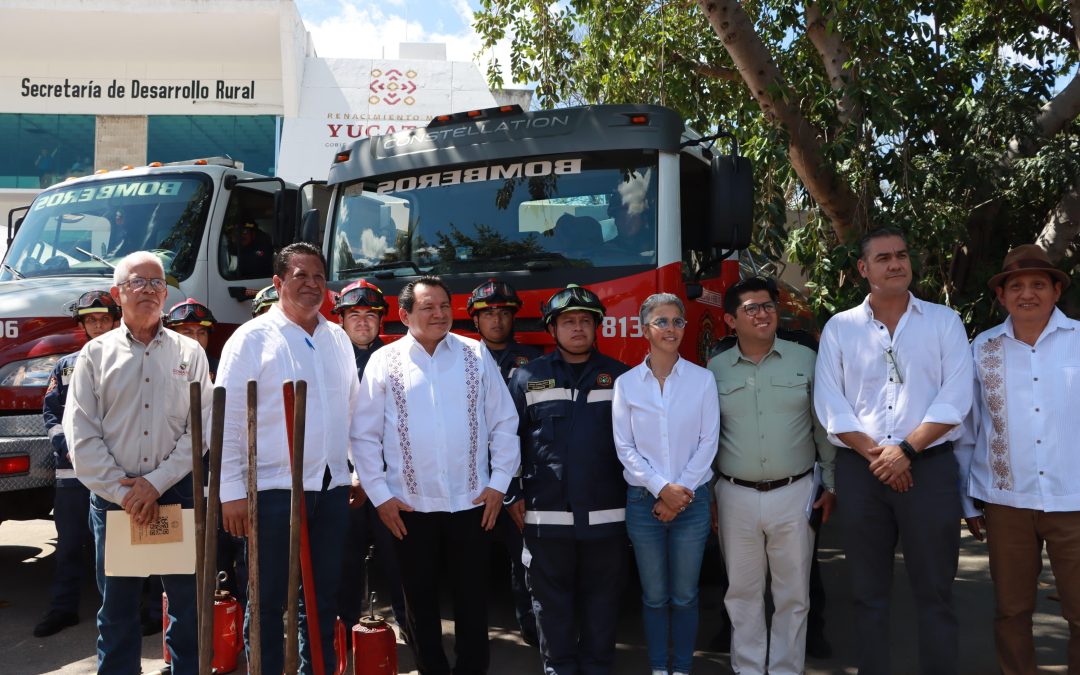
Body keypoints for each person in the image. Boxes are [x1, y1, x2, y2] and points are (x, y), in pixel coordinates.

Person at [813, 227, 973, 674]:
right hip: (862, 475)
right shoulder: (840, 328)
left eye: (902, 255)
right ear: (864, 269)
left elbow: (957, 397)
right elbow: (831, 403)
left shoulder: (944, 322)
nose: (895, 263)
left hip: (930, 471)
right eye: (883, 258)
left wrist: (905, 450)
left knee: (936, 593)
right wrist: (881, 456)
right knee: (867, 594)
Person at [352, 276, 520, 675]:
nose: (439, 314)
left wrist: (498, 485)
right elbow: (363, 435)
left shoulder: (475, 354)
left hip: (473, 504)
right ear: (405, 314)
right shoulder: (384, 361)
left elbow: (504, 423)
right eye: (428, 307)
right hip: (408, 506)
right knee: (418, 604)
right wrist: (380, 496)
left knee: (472, 602)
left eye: (444, 306)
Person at [64, 251, 213, 674]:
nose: (149, 291)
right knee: (117, 613)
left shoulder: (189, 353)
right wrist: (124, 491)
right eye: (138, 283)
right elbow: (82, 433)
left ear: (166, 293)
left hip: (176, 495)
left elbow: (201, 428)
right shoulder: (94, 355)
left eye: (157, 283)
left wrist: (157, 482)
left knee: (188, 608)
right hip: (116, 503)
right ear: (118, 293)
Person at [217, 242, 359, 675]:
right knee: (265, 599)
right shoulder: (251, 338)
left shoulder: (337, 337)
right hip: (272, 490)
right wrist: (230, 492)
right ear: (278, 283)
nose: (312, 285)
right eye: (301, 276)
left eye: (319, 277)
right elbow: (227, 419)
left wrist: (355, 470)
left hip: (331, 489)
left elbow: (352, 411)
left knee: (321, 600)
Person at [956, 244, 1079, 674]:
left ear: (1056, 291)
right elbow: (968, 431)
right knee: (1011, 612)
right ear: (1002, 296)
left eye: (1038, 284)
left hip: (1074, 501)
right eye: (1017, 286)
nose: (1028, 293)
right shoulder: (981, 349)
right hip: (1007, 501)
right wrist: (968, 500)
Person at [708, 276, 836, 675]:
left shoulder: (806, 360)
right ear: (730, 320)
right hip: (734, 495)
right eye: (751, 308)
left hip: (795, 492)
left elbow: (823, 426)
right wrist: (709, 495)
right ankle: (747, 669)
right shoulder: (713, 370)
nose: (762, 314)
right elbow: (706, 437)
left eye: (767, 306)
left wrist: (830, 484)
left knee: (793, 596)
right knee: (742, 594)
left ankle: (785, 670)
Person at [506, 284, 630, 675]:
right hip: (546, 518)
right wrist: (511, 494)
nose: (577, 328)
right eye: (568, 322)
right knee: (550, 604)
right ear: (552, 329)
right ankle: (558, 668)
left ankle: (596, 668)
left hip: (607, 516)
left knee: (603, 602)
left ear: (597, 328)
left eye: (585, 321)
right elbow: (506, 439)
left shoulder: (622, 378)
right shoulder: (527, 377)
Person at [613, 293, 719, 675]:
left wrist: (678, 494)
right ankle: (660, 667)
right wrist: (661, 489)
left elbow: (709, 442)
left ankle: (683, 667)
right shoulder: (626, 385)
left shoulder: (702, 380)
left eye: (678, 321)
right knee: (655, 596)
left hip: (692, 502)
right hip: (644, 504)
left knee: (686, 595)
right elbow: (624, 447)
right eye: (662, 321)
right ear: (645, 329)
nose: (671, 329)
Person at [33, 290, 120, 638]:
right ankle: (63, 609)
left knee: (121, 547)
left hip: (117, 473)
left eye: (104, 319)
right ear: (83, 324)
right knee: (69, 545)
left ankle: (129, 611)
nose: (98, 326)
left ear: (115, 320)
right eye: (91, 320)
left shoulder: (131, 360)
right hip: (72, 473)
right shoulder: (65, 365)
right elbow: (52, 411)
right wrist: (65, 444)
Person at [330, 279, 408, 637]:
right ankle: (343, 640)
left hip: (391, 483)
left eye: (370, 315)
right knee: (343, 567)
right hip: (343, 482)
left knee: (402, 566)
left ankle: (415, 634)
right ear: (341, 320)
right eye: (354, 315)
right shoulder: (327, 361)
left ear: (381, 321)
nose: (362, 321)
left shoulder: (399, 361)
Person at [467, 278, 542, 646]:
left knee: (524, 558)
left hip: (514, 478)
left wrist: (514, 489)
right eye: (487, 314)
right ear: (475, 321)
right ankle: (473, 636)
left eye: (503, 313)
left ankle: (532, 628)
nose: (496, 321)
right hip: (467, 481)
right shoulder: (460, 359)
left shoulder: (535, 364)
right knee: (466, 563)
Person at [163, 298, 218, 377]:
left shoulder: (220, 369)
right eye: (188, 333)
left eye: (201, 333)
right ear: (171, 336)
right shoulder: (159, 366)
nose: (196, 340)